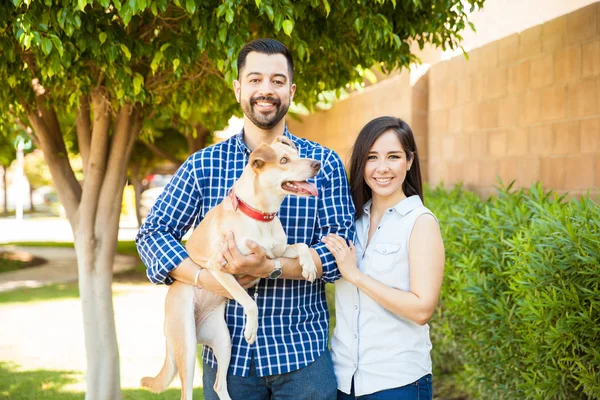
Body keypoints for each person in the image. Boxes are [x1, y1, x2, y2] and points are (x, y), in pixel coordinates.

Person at [136, 38, 355, 400]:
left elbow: (340, 251)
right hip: (229, 360)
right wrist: (206, 278)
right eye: (255, 80)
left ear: (291, 90)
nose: (265, 90)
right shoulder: (204, 165)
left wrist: (270, 266)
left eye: (277, 81)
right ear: (238, 88)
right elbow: (152, 235)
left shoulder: (321, 164)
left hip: (301, 356)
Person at [321, 116, 445, 400]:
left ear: (410, 161)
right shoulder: (350, 221)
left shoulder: (420, 222)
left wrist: (356, 276)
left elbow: (422, 309)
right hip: (343, 380)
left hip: (396, 382)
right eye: (372, 157)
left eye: (393, 157)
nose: (382, 168)